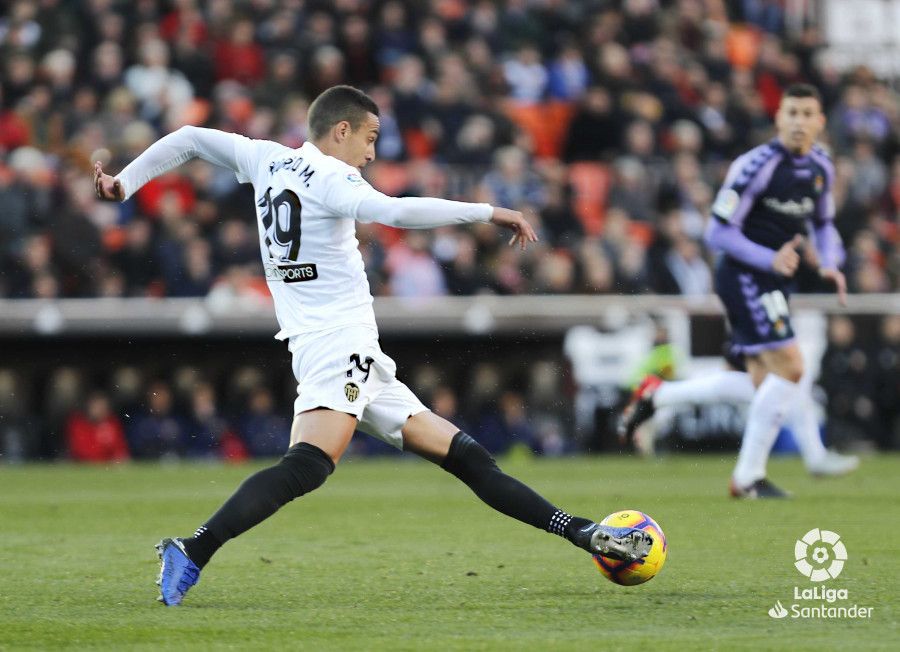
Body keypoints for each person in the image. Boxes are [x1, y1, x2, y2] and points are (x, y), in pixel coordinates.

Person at [93, 85, 652, 606]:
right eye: (369, 137)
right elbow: (397, 211)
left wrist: (126, 181)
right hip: (338, 346)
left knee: (468, 458)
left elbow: (190, 139)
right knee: (307, 466)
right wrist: (486, 211)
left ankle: (582, 532)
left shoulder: (264, 158)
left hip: (341, 350)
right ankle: (192, 549)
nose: (370, 151)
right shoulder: (331, 179)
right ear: (340, 131)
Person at [675, 83, 847, 498]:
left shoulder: (821, 168)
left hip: (775, 278)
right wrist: (767, 258)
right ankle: (751, 475)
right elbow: (717, 232)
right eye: (791, 113)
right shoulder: (756, 165)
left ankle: (659, 396)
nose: (799, 122)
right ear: (778, 118)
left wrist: (830, 262)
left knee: (763, 381)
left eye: (808, 114)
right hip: (743, 274)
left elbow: (823, 225)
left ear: (820, 122)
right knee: (792, 366)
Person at [617, 345, 859, 476]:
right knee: (786, 377)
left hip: (760, 303)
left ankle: (660, 394)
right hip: (755, 304)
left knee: (786, 379)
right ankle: (660, 394)